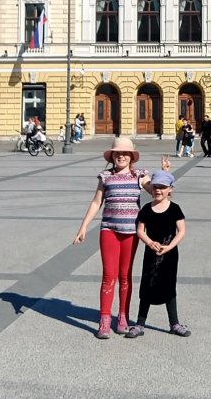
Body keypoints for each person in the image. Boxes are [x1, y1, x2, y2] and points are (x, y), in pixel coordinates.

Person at [73, 136, 171, 340]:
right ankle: (104, 319)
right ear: (112, 156)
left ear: (131, 157)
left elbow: (155, 190)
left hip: (131, 233)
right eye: (117, 153)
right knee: (109, 275)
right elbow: (96, 203)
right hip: (109, 230)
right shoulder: (105, 177)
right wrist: (83, 227)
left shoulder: (139, 175)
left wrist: (164, 174)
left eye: (125, 153)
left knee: (125, 276)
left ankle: (123, 317)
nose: (121, 156)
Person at [125, 169, 190, 339]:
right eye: (155, 187)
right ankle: (140, 324)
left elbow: (181, 231)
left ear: (170, 189)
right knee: (147, 287)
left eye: (162, 187)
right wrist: (149, 242)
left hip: (169, 255)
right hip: (151, 255)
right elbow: (140, 230)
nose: (158, 190)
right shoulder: (147, 209)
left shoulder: (175, 209)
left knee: (169, 287)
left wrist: (170, 247)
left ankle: (174, 323)